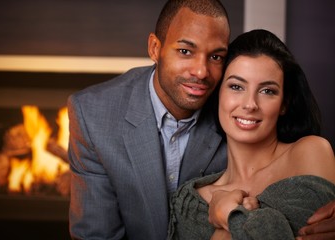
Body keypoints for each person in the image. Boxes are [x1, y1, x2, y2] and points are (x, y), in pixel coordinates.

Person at [67, 0, 335, 238]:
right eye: (185, 51)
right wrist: (230, 218)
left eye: (216, 56)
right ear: (154, 48)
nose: (201, 71)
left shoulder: (297, 148)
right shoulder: (93, 114)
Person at [167, 29, 335, 240]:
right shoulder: (190, 202)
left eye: (267, 91)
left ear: (284, 103)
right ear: (218, 94)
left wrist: (230, 216)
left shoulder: (309, 153)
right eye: (236, 86)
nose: (250, 104)